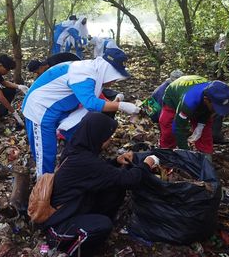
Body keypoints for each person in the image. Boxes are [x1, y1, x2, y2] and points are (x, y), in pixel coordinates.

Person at [44, 112, 159, 257]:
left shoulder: (78, 148)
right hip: (58, 227)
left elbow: (99, 173)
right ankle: (73, 254)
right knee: (103, 224)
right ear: (97, 136)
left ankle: (93, 233)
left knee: (114, 187)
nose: (110, 141)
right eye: (107, 137)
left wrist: (116, 161)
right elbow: (130, 180)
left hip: (73, 209)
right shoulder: (84, 160)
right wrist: (147, 163)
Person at [22, 48, 141, 178]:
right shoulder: (84, 73)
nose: (113, 82)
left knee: (79, 138)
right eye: (114, 78)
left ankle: (71, 170)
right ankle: (43, 188)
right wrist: (121, 106)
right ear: (108, 71)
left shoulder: (93, 72)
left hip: (59, 110)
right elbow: (90, 103)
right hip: (40, 110)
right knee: (46, 154)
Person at [159, 75, 229, 156]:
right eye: (215, 107)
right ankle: (166, 154)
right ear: (206, 100)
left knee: (205, 131)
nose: (216, 111)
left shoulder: (215, 93)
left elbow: (207, 114)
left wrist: (201, 126)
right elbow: (178, 128)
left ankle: (205, 156)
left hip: (198, 95)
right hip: (173, 95)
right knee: (169, 129)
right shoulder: (189, 102)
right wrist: (186, 152)